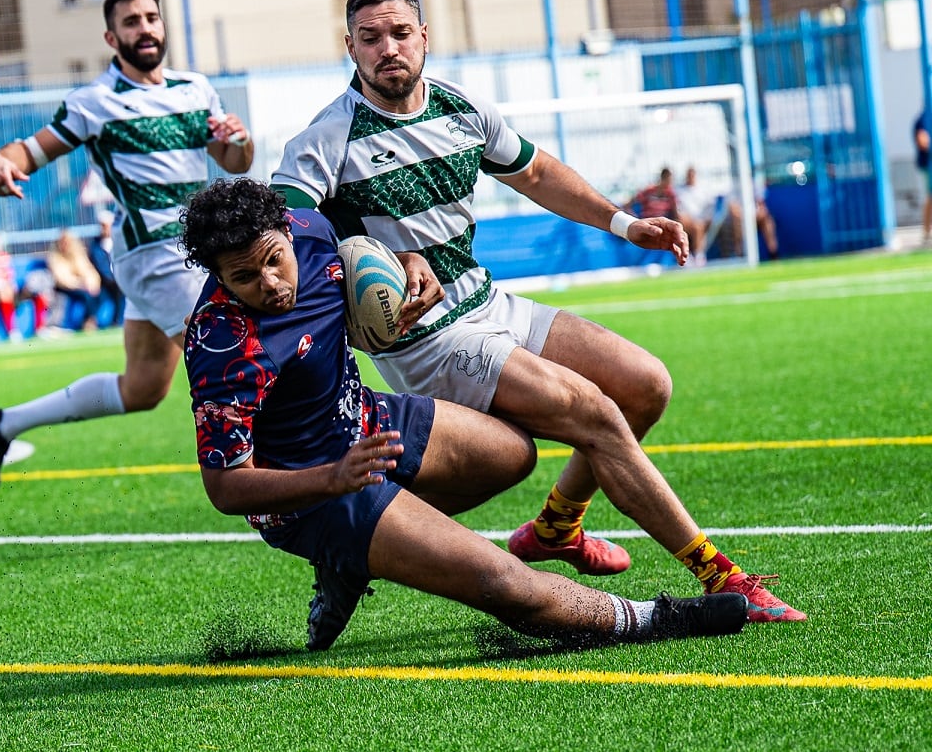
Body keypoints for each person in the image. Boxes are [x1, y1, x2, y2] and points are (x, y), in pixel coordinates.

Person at [270, 0, 803, 623]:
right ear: (348, 47)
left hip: (490, 303)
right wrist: (369, 253)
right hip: (429, 342)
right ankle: (725, 576)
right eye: (371, 37)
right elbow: (285, 231)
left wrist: (624, 224)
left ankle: (556, 527)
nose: (389, 48)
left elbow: (538, 172)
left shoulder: (461, 109)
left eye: (401, 33)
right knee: (595, 413)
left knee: (645, 386)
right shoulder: (328, 139)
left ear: (425, 38)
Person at [180, 177, 748, 651]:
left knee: (511, 455)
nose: (271, 284)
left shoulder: (311, 229)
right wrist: (332, 479)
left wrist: (406, 263)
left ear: (286, 231)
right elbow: (228, 489)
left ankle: (355, 562)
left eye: (274, 262)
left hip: (368, 421)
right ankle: (662, 617)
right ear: (218, 278)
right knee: (500, 580)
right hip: (319, 493)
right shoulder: (221, 346)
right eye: (245, 278)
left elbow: (361, 256)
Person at [0, 0, 253, 488]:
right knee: (234, 355)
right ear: (111, 36)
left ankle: (3, 423)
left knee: (144, 387)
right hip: (155, 254)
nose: (144, 28)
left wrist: (239, 139)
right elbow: (30, 152)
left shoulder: (195, 87)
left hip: (198, 248)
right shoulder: (94, 102)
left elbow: (233, 162)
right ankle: (278, 490)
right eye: (131, 22)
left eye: (151, 17)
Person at [45, 228, 102, 332]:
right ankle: (86, 323)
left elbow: (88, 270)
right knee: (86, 295)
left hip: (79, 286)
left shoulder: (78, 253)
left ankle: (89, 321)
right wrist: (81, 284)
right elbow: (63, 279)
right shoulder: (55, 256)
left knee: (96, 294)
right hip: (63, 288)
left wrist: (92, 283)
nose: (65, 244)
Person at [88, 209, 125, 327]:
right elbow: (100, 266)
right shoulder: (95, 245)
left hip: (119, 277)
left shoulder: (119, 241)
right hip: (105, 281)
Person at [673, 166, 713, 266]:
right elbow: (677, 209)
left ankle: (698, 255)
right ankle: (688, 256)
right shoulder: (679, 190)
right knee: (690, 226)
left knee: (698, 226)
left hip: (701, 220)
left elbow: (710, 209)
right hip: (685, 220)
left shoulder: (704, 190)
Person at [914, 109, 931, 245]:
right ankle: (926, 232)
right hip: (928, 165)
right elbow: (922, 141)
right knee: (930, 197)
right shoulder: (924, 119)